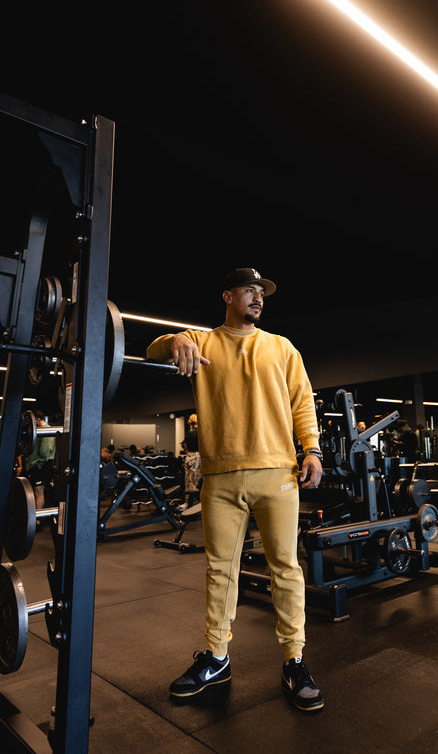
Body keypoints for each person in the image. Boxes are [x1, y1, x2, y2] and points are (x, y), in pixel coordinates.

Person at [146, 267, 324, 712]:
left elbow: (303, 401)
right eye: (249, 289)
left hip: (277, 474)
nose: (258, 296)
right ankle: (217, 657)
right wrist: (174, 341)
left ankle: (294, 659)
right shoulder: (201, 342)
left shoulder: (281, 347)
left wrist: (313, 450)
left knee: (285, 566)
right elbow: (152, 348)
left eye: (262, 291)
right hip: (220, 476)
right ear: (227, 295)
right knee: (219, 570)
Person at [23, 410, 56, 517]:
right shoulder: (37, 430)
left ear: (37, 419)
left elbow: (45, 452)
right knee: (34, 492)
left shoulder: (46, 430)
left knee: (39, 492)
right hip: (35, 465)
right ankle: (35, 518)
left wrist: (39, 465)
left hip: (41, 465)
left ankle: (37, 520)